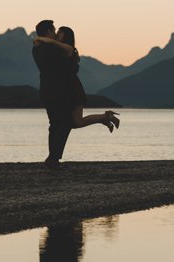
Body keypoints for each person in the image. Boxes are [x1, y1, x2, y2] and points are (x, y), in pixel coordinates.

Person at [32, 21, 120, 169]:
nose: (56, 34)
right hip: (61, 92)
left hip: (60, 91)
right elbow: (68, 57)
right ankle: (53, 158)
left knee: (61, 124)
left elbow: (69, 52)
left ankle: (53, 158)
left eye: (59, 33)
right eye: (54, 31)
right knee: (68, 123)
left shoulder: (40, 47)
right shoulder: (51, 48)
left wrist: (44, 39)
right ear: (48, 32)